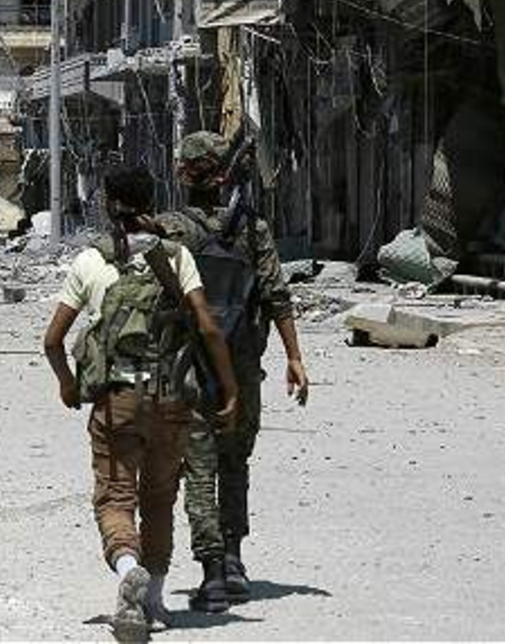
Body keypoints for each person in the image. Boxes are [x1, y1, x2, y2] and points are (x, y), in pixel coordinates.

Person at [43, 166, 240, 639]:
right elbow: (207, 326)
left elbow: (52, 340)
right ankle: (154, 602)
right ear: (152, 201)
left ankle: (128, 568)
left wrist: (67, 384)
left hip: (118, 400)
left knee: (115, 497)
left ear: (107, 203)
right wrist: (230, 389)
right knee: (160, 498)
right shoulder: (175, 256)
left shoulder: (92, 260)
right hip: (171, 399)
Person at [157, 131, 310, 610]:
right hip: (241, 365)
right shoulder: (253, 228)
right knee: (235, 462)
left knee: (198, 468)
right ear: (223, 178)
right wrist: (294, 357)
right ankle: (234, 559)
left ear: (183, 173)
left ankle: (212, 574)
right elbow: (276, 295)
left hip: (187, 365)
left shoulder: (168, 230)